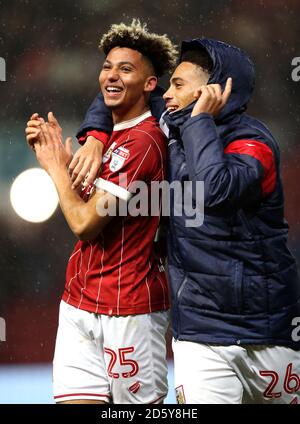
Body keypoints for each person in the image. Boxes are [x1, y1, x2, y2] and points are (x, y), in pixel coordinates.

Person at [71, 38, 300, 404]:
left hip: (266, 329)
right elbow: (118, 91)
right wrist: (97, 136)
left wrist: (200, 121)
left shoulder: (253, 143)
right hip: (198, 331)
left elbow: (216, 190)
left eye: (178, 85)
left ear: (216, 90)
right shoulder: (174, 122)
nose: (168, 94)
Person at [25, 20, 177, 404]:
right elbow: (85, 206)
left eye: (126, 69)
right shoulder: (107, 136)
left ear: (149, 84)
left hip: (129, 311)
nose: (111, 74)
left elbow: (84, 223)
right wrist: (62, 158)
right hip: (78, 303)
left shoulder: (144, 142)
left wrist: (55, 167)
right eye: (108, 65)